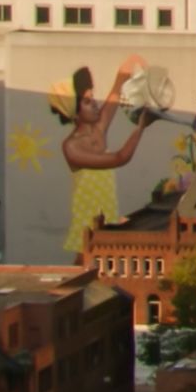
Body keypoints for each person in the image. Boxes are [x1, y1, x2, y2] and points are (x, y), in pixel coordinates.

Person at [48, 57, 160, 252]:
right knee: (85, 265)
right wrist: (141, 127)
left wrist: (133, 61)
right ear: (74, 113)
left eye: (93, 98)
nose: (95, 104)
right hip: (87, 224)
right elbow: (119, 158)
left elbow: (117, 89)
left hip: (107, 220)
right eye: (87, 101)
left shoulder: (98, 128)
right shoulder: (72, 147)